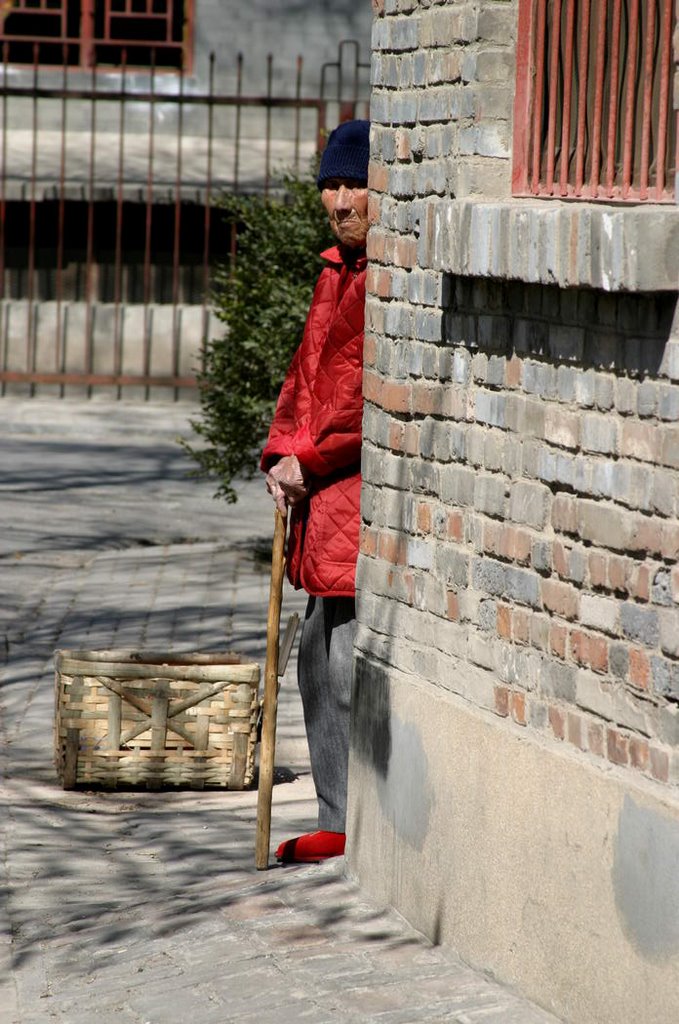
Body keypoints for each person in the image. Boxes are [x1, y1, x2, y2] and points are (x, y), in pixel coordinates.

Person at [260, 119, 370, 864]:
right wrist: (277, 450)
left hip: (349, 489)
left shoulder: (381, 277)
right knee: (311, 655)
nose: (337, 200)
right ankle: (334, 814)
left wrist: (308, 456)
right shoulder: (334, 269)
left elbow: (362, 392)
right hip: (315, 491)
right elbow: (305, 379)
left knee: (342, 659)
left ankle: (358, 816)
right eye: (329, 185)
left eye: (351, 183)